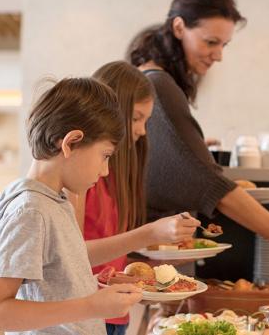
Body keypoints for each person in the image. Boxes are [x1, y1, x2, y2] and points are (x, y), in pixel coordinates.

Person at [129, 0, 269, 272]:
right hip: (146, 259)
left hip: (149, 254)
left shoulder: (149, 78)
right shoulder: (159, 85)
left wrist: (194, 147)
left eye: (224, 44)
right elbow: (216, 188)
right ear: (179, 27)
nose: (219, 55)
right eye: (211, 42)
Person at [0, 77, 143, 334]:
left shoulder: (56, 201)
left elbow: (53, 286)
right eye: (105, 156)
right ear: (70, 143)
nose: (105, 170)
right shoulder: (31, 210)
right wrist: (91, 305)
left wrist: (89, 286)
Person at [71, 61, 200, 335]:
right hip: (88, 315)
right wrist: (149, 234)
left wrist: (161, 265)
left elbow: (110, 263)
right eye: (136, 118)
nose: (142, 131)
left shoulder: (116, 175)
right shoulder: (80, 178)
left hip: (117, 315)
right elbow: (73, 255)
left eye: (146, 120)